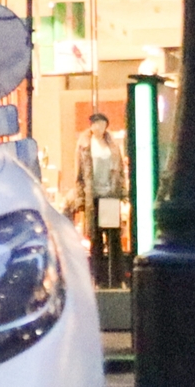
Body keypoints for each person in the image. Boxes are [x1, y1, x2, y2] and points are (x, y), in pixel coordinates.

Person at [75, 112, 129, 287]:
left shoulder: (112, 145)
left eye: (102, 123)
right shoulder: (84, 145)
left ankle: (117, 277)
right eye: (95, 123)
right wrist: (81, 199)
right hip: (94, 197)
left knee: (113, 239)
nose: (98, 127)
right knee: (96, 240)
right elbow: (79, 175)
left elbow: (119, 170)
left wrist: (122, 192)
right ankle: (98, 279)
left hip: (109, 196)